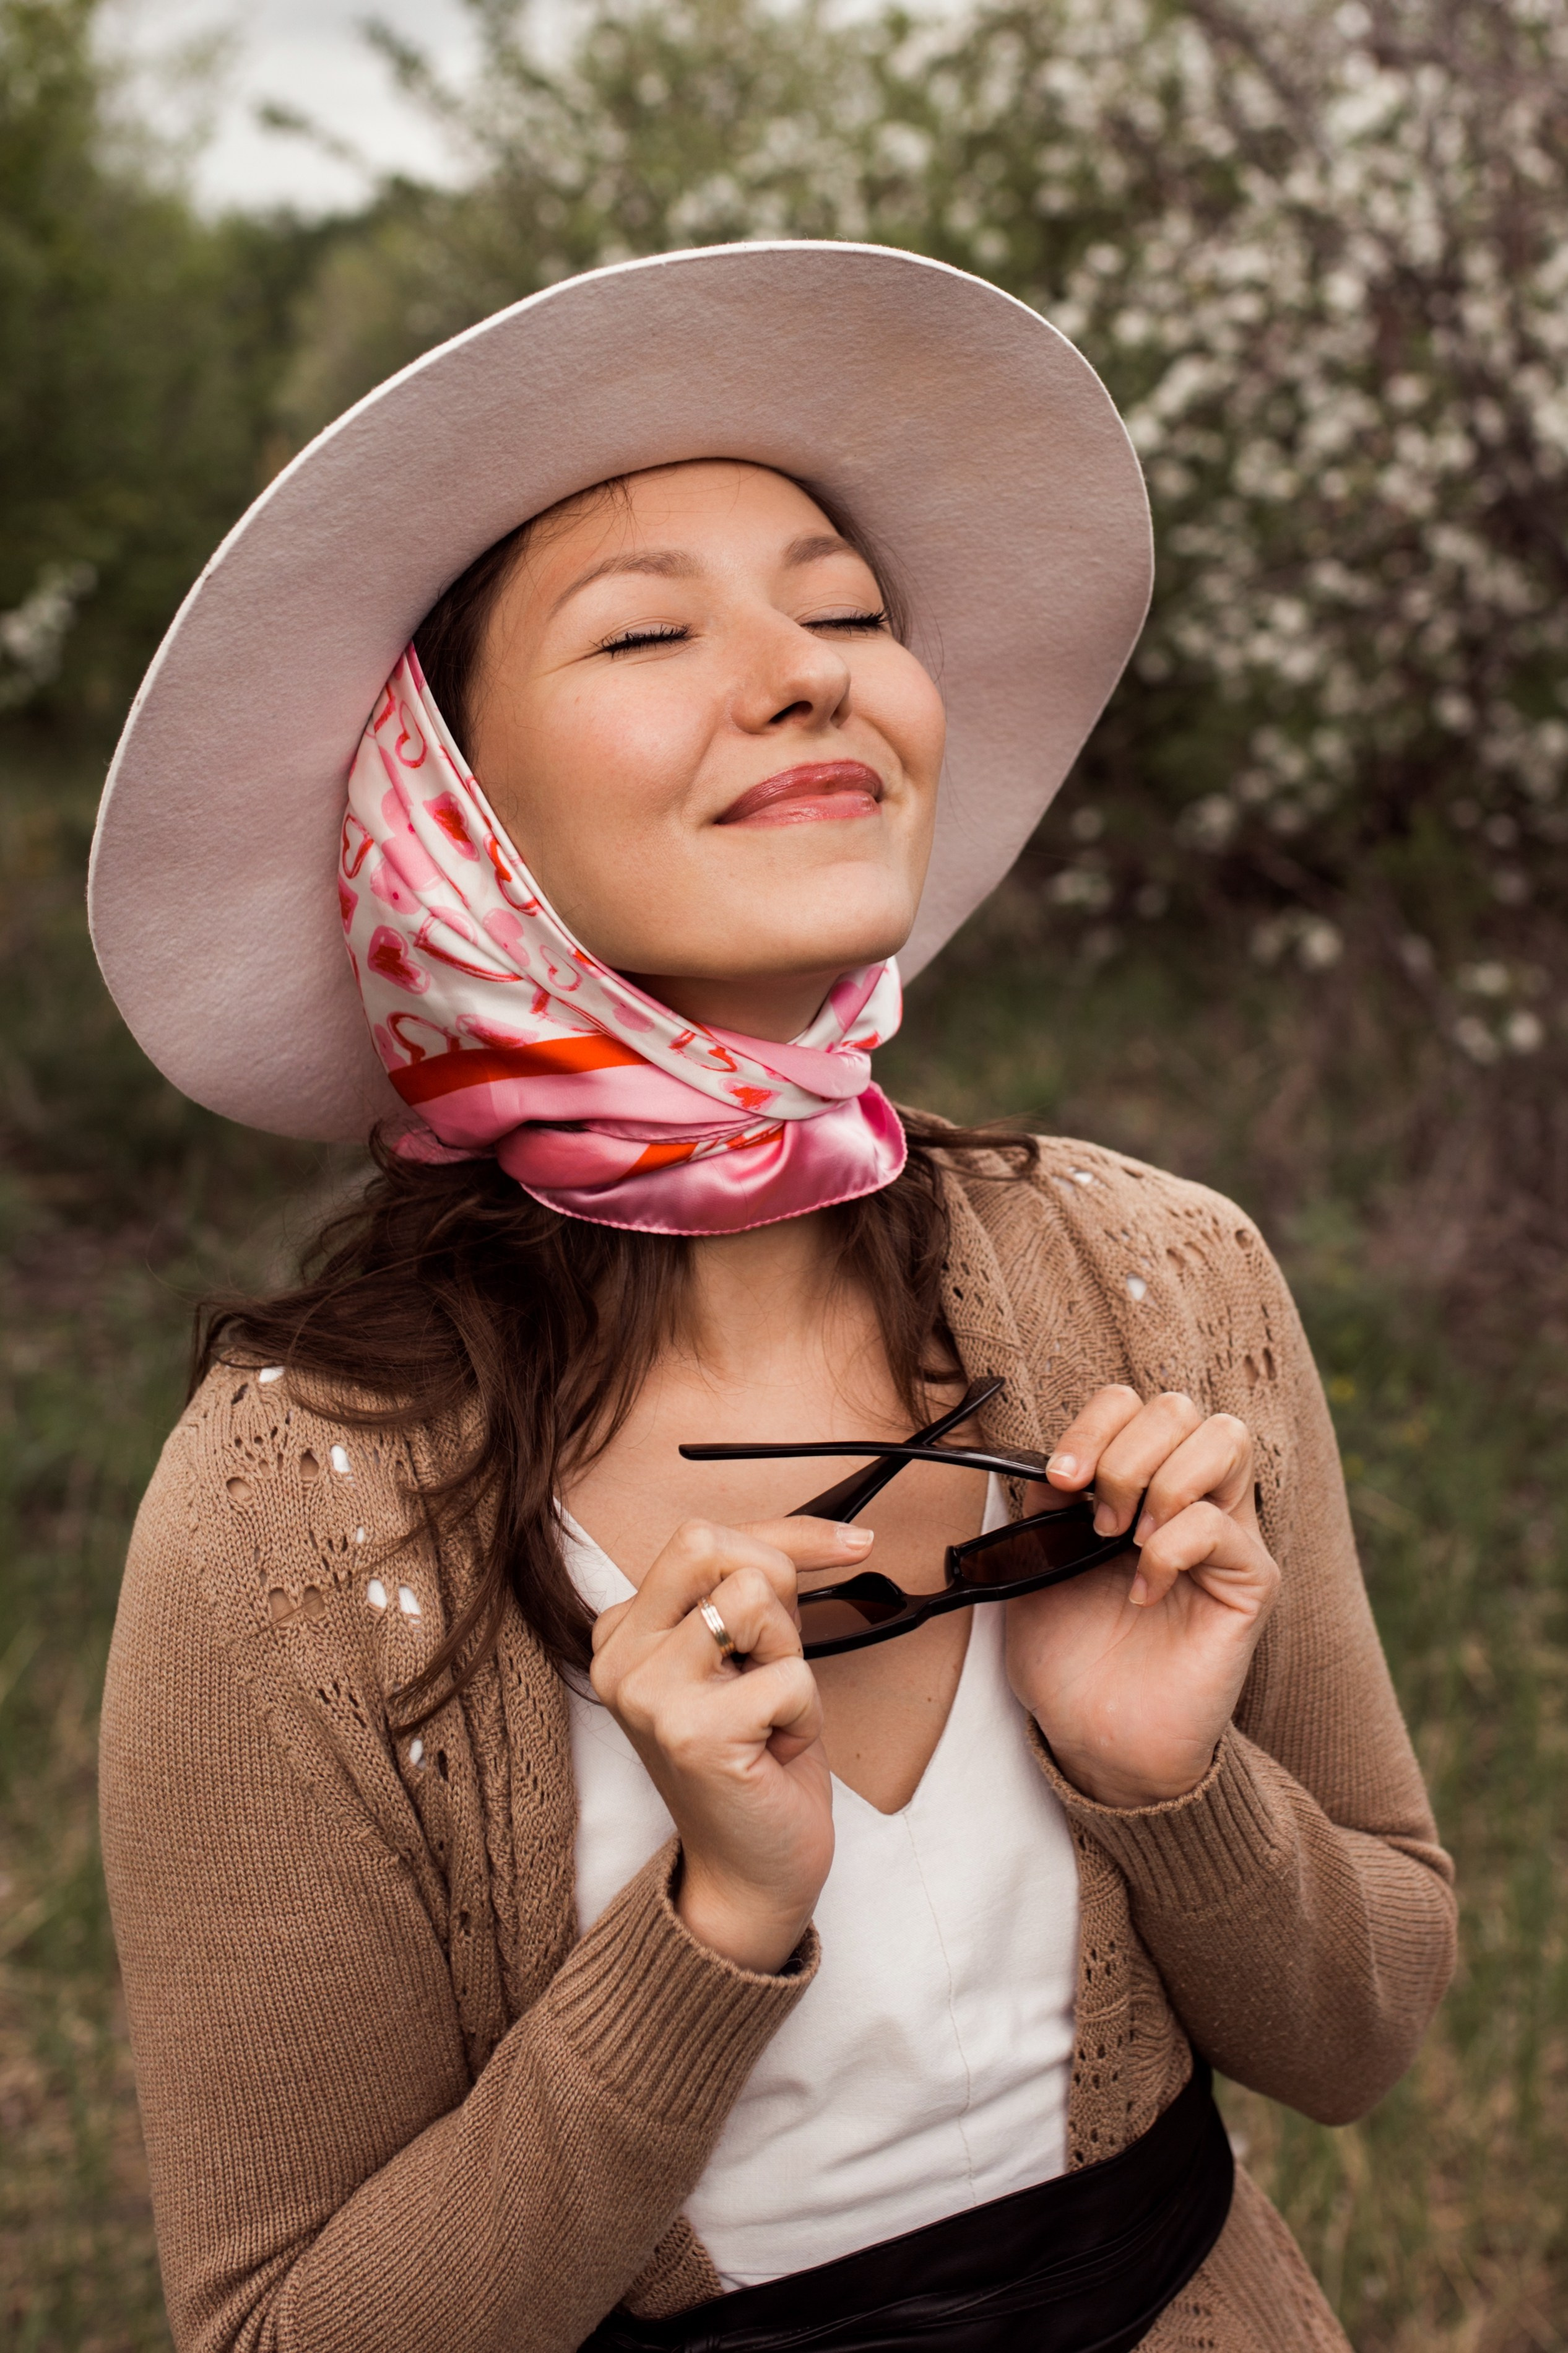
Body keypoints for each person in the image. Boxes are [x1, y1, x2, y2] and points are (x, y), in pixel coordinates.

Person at [92, 244, 1454, 2353]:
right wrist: (715, 1926)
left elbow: (1363, 2039)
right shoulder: (289, 1518)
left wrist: (1168, 1779)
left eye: (850, 611)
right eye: (648, 630)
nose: (812, 676)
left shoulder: (1166, 1279)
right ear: (444, 817)